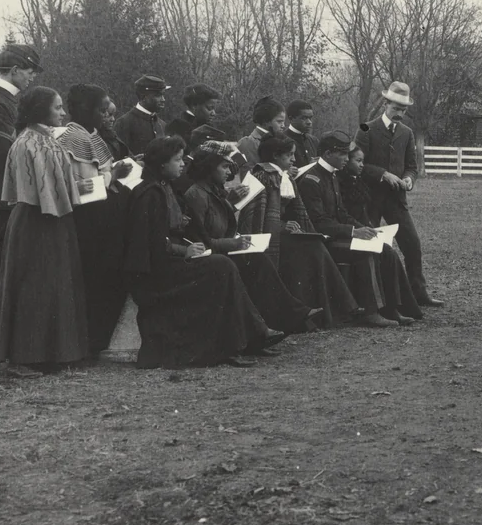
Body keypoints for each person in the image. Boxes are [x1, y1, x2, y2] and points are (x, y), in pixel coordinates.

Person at [123, 135, 281, 368]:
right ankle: (244, 338)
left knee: (223, 265)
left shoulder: (167, 189)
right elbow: (151, 244)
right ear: (162, 164)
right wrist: (185, 251)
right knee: (220, 266)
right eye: (177, 160)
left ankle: (247, 337)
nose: (182, 164)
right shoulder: (150, 194)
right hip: (157, 270)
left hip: (169, 260)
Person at [0, 86, 88, 372]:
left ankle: (52, 353)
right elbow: (42, 191)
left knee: (54, 284)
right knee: (34, 287)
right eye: (57, 108)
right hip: (36, 219)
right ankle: (25, 357)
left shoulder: (45, 140)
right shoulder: (30, 143)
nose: (63, 113)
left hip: (53, 219)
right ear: (42, 109)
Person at [182, 148, 319, 334]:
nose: (230, 173)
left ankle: (292, 315)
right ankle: (261, 328)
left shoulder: (214, 191)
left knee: (258, 260)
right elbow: (202, 239)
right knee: (247, 267)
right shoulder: (196, 195)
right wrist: (234, 243)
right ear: (208, 169)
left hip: (222, 250)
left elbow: (223, 226)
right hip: (208, 256)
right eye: (224, 167)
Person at [246, 133, 362, 328]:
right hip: (268, 238)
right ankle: (340, 305)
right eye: (289, 155)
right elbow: (257, 218)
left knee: (314, 245)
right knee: (313, 247)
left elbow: (294, 211)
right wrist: (284, 227)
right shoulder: (262, 176)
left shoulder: (283, 177)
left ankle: (336, 307)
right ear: (275, 156)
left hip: (281, 234)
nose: (293, 159)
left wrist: (292, 225)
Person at [0, 43, 42, 348]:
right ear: (15, 71)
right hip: (5, 192)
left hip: (12, 189)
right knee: (2, 259)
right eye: (29, 72)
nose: (31, 78)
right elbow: (11, 149)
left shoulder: (6, 100)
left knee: (5, 258)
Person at [57, 83, 132, 354]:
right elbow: (80, 189)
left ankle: (100, 339)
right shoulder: (70, 140)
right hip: (88, 222)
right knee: (95, 282)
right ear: (85, 110)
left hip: (106, 219)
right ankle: (90, 341)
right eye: (102, 110)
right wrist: (113, 176)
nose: (106, 115)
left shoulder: (93, 137)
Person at [355, 81, 443, 306]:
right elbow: (356, 165)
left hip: (396, 200)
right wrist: (383, 174)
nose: (399, 114)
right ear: (385, 104)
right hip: (369, 198)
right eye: (395, 108)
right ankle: (372, 298)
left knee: (412, 244)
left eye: (403, 110)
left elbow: (412, 166)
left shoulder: (407, 133)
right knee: (370, 246)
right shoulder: (366, 129)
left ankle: (419, 293)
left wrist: (408, 180)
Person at [299, 132, 399, 328]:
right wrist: (353, 231)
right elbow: (319, 222)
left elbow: (342, 213)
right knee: (367, 252)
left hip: (337, 236)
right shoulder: (312, 179)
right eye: (343, 154)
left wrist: (366, 229)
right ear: (327, 154)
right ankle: (370, 311)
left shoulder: (332, 174)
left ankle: (391, 308)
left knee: (386, 250)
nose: (347, 158)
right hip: (323, 241)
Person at [337, 142, 424, 325]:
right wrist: (359, 229)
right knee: (374, 252)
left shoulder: (358, 180)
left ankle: (395, 308)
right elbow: (341, 215)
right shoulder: (340, 182)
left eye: (363, 161)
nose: (362, 165)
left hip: (357, 229)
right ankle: (373, 310)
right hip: (344, 234)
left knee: (390, 253)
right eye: (358, 161)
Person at [114, 75, 170, 156]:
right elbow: (120, 158)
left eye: (163, 95)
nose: (163, 100)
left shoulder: (162, 125)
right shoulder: (124, 123)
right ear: (144, 97)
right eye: (158, 95)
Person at [236, 96, 286, 164]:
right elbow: (244, 171)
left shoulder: (281, 140)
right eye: (279, 121)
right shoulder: (246, 143)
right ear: (266, 122)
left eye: (283, 122)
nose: (283, 126)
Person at [285, 100, 318, 167]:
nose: (309, 122)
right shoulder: (281, 140)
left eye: (310, 118)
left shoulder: (314, 141)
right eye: (304, 118)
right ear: (291, 118)